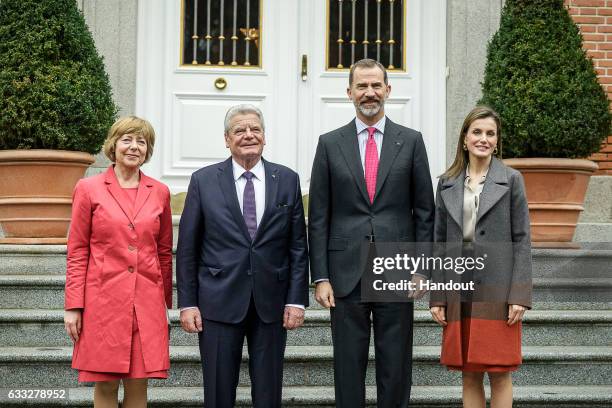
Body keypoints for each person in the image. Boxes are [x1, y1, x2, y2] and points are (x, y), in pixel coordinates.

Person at [308, 58, 435, 408]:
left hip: (398, 270)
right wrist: (320, 276)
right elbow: (318, 216)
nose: (369, 92)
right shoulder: (330, 144)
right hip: (345, 270)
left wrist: (422, 269)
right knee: (348, 366)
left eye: (376, 85)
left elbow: (425, 212)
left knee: (395, 365)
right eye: (362, 86)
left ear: (388, 90)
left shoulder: (410, 142)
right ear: (349, 92)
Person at [176, 104, 309, 408]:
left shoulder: (287, 179)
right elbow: (187, 249)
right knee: (219, 392)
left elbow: (297, 246)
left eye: (255, 129)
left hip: (272, 304)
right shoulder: (203, 180)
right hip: (217, 301)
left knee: (268, 393)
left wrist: (296, 299)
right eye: (240, 130)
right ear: (226, 139)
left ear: (264, 136)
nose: (249, 135)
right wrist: (188, 303)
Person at [64, 116, 173, 408]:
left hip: (145, 304)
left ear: (148, 149)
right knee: (107, 385)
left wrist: (164, 305)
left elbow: (164, 252)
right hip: (102, 303)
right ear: (113, 145)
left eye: (142, 141)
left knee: (139, 385)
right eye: (127, 140)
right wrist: (74, 306)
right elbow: (77, 250)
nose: (134, 147)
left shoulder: (160, 192)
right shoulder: (89, 189)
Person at [429, 105, 533, 408]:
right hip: (457, 287)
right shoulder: (446, 183)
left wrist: (519, 295)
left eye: (490, 133)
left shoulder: (512, 179)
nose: (483, 139)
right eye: (477, 132)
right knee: (469, 372)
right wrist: (437, 296)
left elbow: (523, 239)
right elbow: (439, 242)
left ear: (497, 141)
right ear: (465, 138)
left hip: (498, 290)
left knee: (499, 372)